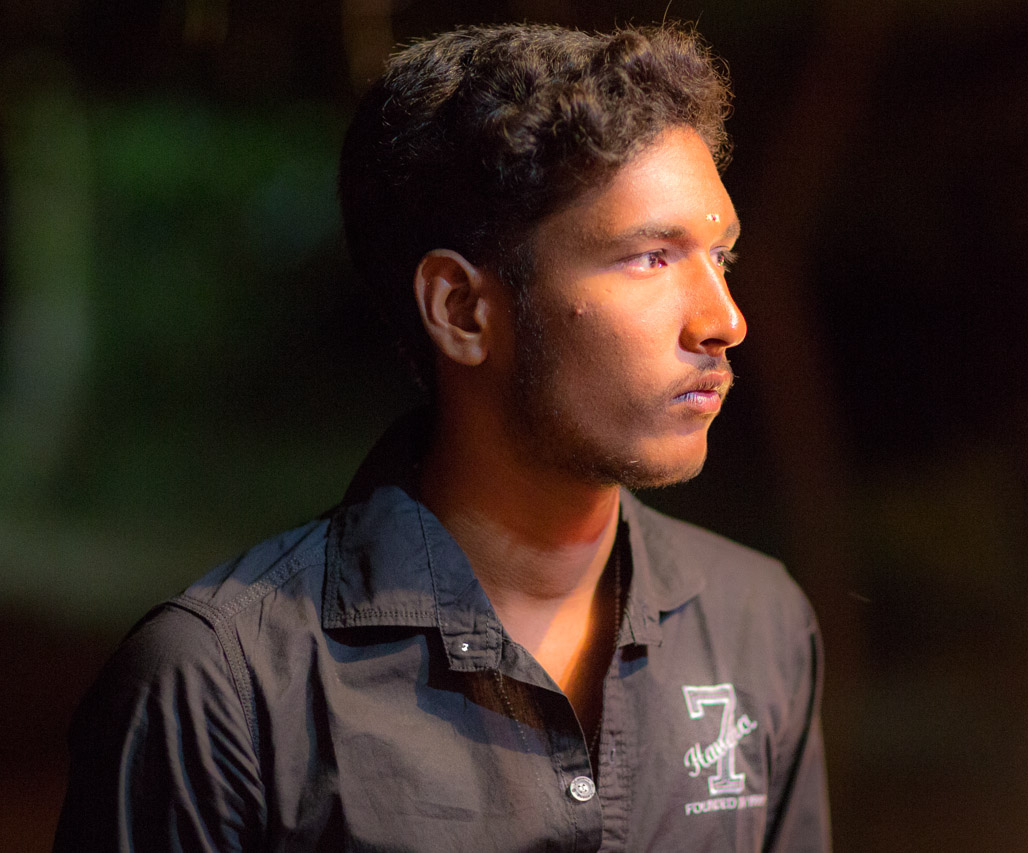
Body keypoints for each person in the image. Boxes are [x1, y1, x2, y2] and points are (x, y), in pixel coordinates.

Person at [54, 21, 830, 852]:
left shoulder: (758, 624)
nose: (724, 320)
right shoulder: (221, 690)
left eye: (721, 258)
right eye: (650, 257)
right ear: (461, 309)